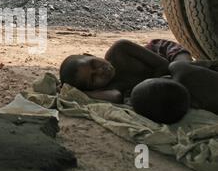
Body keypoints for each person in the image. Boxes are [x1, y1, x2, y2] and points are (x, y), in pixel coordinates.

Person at [59, 39, 218, 121]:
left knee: (180, 68)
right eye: (93, 78)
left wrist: (157, 86)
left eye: (93, 63)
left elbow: (163, 65)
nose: (101, 71)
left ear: (89, 55)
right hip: (169, 79)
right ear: (91, 88)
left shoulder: (119, 51)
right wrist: (82, 93)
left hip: (168, 55)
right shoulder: (113, 87)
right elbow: (115, 96)